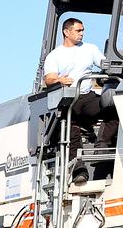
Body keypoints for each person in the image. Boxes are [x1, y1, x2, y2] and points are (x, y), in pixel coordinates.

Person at [43, 18, 118, 179]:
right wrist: (59, 80)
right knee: (69, 126)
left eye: (83, 30)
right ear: (66, 32)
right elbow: (48, 79)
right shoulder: (55, 55)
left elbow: (105, 64)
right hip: (69, 99)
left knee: (113, 110)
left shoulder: (90, 49)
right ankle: (79, 170)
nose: (82, 33)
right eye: (78, 31)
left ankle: (102, 145)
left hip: (87, 96)